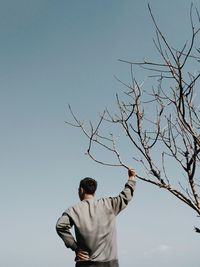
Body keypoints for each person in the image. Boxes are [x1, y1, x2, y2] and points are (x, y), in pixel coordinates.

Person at [56, 168, 137, 267]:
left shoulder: (73, 210)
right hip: (110, 264)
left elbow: (60, 226)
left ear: (81, 190)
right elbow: (125, 196)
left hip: (85, 263)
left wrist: (75, 247)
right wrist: (131, 178)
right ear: (94, 191)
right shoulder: (110, 204)